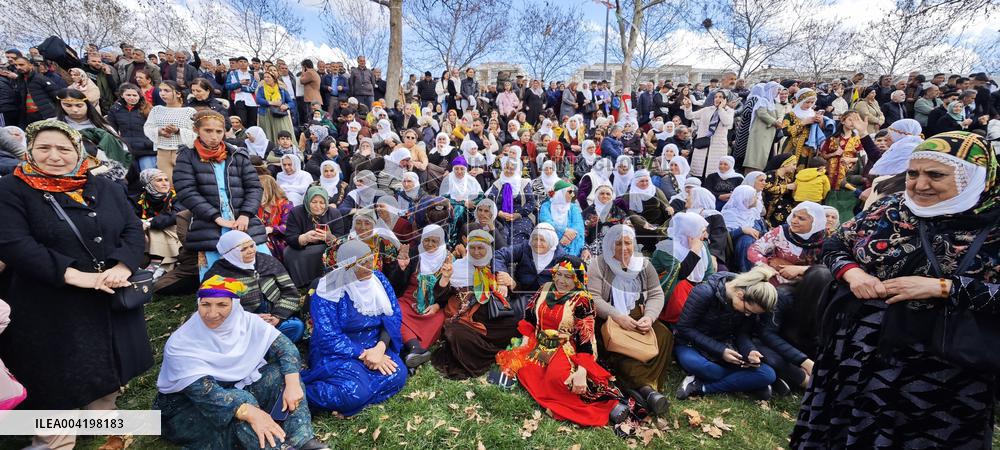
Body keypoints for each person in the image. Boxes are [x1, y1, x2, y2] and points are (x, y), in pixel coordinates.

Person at [792, 130, 1000, 446]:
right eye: (913, 173)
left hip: (941, 376)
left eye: (935, 175)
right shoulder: (891, 209)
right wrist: (853, 275)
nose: (919, 184)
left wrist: (945, 288)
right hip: (853, 360)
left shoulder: (994, 226)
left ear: (976, 176)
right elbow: (836, 245)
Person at [0, 121, 152, 449]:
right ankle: (54, 440)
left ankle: (100, 420)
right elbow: (15, 244)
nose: (54, 156)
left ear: (78, 151)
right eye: (44, 148)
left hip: (108, 297)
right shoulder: (11, 190)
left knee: (107, 367)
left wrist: (123, 265)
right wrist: (79, 276)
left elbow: (132, 229)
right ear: (29, 150)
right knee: (51, 376)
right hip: (48, 303)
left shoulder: (105, 187)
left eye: (63, 148)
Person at [155, 276, 326, 450]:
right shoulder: (180, 343)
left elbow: (285, 348)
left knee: (284, 375)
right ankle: (278, 447)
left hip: (234, 388)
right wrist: (250, 412)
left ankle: (302, 440)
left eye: (222, 305)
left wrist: (292, 383)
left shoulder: (246, 321)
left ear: (235, 306)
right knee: (240, 412)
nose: (212, 313)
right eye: (205, 304)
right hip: (188, 409)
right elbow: (206, 394)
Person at [496, 256, 632, 428]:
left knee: (560, 379)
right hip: (541, 344)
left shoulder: (583, 299)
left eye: (568, 276)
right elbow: (530, 319)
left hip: (565, 347)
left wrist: (582, 371)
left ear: (577, 278)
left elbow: (586, 337)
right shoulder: (545, 288)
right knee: (526, 370)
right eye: (559, 274)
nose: (561, 280)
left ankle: (610, 406)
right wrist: (523, 347)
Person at [302, 239, 407, 416]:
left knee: (398, 375)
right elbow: (328, 337)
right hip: (338, 351)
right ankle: (303, 391)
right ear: (347, 265)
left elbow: (393, 315)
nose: (369, 267)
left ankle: (353, 402)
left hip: (375, 345)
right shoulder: (328, 289)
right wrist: (365, 354)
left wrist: (380, 348)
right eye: (362, 263)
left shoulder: (378, 279)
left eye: (370, 260)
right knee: (354, 391)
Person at [172, 110, 269, 279]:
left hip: (243, 220)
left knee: (261, 266)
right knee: (218, 275)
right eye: (208, 131)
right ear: (196, 130)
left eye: (219, 131)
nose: (214, 136)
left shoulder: (237, 155)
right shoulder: (187, 157)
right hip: (209, 223)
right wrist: (216, 217)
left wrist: (246, 214)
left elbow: (254, 187)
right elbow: (186, 191)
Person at [587, 225, 673, 416]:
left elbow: (656, 294)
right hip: (610, 319)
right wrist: (617, 316)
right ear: (609, 245)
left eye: (628, 243)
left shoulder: (644, 265)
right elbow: (594, 298)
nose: (624, 248)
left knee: (664, 335)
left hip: (638, 316)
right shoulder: (598, 265)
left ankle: (645, 388)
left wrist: (649, 318)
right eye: (618, 243)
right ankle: (647, 391)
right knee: (622, 349)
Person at [674, 267, 779, 400]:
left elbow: (742, 333)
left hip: (725, 344)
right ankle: (746, 383)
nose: (748, 314)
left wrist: (749, 351)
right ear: (740, 295)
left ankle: (701, 387)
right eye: (747, 310)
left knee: (768, 374)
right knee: (705, 368)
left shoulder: (748, 304)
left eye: (752, 313)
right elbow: (684, 328)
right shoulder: (704, 292)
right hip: (690, 344)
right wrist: (720, 351)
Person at [385, 225, 453, 368]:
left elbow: (447, 295)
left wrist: (444, 283)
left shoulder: (447, 259)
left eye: (434, 241)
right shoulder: (415, 254)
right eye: (426, 240)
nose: (429, 244)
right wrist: (401, 268)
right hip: (408, 300)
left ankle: (408, 351)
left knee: (438, 320)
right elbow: (396, 284)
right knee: (395, 313)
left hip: (432, 305)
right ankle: (415, 349)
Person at [651, 212, 717, 324]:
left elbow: (709, 272)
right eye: (702, 231)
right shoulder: (666, 249)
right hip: (672, 288)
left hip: (694, 288)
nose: (705, 236)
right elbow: (680, 274)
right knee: (684, 297)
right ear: (689, 232)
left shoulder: (702, 245)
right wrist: (694, 251)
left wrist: (704, 292)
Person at [748, 201, 827, 284]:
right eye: (794, 216)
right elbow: (754, 249)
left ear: (815, 222)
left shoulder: (825, 240)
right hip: (775, 278)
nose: (794, 221)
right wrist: (766, 264)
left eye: (801, 218)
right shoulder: (781, 232)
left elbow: (828, 269)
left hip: (808, 286)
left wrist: (800, 270)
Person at [283, 186, 346, 288]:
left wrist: (330, 237)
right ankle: (301, 285)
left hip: (325, 247)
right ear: (308, 201)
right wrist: (304, 238)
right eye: (314, 202)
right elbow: (290, 237)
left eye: (322, 203)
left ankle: (325, 281)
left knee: (334, 251)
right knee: (288, 252)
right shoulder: (296, 212)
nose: (318, 206)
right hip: (303, 248)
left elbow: (341, 238)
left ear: (326, 203)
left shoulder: (334, 213)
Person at [143, 80, 197, 184]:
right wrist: (159, 131)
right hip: (162, 152)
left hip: (182, 152)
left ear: (178, 93)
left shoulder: (189, 111)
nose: (162, 93)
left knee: (184, 183)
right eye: (161, 90)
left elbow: (195, 134)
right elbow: (147, 128)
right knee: (167, 184)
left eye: (167, 90)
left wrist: (178, 131)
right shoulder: (156, 110)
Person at [133, 168, 182, 277]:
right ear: (148, 183)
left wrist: (150, 223)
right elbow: (130, 216)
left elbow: (176, 216)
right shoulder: (140, 198)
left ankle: (157, 262)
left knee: (153, 226)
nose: (165, 183)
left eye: (166, 180)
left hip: (176, 234)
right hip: (149, 237)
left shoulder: (177, 197)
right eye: (159, 180)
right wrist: (142, 223)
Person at [683, 91, 734, 178]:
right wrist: (688, 107)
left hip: (717, 146)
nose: (717, 99)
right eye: (716, 97)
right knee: (699, 171)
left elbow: (727, 122)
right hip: (703, 143)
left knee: (712, 172)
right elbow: (690, 116)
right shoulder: (707, 109)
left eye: (720, 97)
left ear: (725, 100)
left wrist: (721, 109)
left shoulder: (729, 111)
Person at [105, 83, 155, 170]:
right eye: (128, 95)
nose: (132, 98)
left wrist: (149, 143)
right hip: (126, 149)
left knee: (148, 172)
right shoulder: (115, 110)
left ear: (139, 96)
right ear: (122, 95)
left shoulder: (148, 108)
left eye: (135, 95)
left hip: (146, 149)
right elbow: (111, 130)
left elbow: (155, 129)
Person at [722, 185, 767, 272]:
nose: (756, 199)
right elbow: (725, 237)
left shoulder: (754, 212)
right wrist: (742, 230)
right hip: (740, 250)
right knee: (746, 239)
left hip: (760, 247)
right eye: (753, 197)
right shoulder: (729, 214)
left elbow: (764, 230)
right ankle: (746, 272)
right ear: (744, 199)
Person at [743, 82, 784, 171]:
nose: (778, 92)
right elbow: (761, 113)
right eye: (777, 90)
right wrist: (774, 122)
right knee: (756, 156)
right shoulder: (763, 101)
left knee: (762, 155)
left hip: (767, 134)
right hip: (760, 133)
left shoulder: (771, 102)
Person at [538, 180, 585, 256]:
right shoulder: (546, 206)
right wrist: (565, 231)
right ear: (561, 193)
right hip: (551, 239)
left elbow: (578, 225)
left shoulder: (573, 207)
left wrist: (568, 238)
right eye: (570, 192)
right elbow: (546, 222)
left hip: (571, 241)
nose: (572, 195)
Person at [257, 174, 294, 261]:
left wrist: (271, 229)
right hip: (261, 236)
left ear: (268, 190)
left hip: (280, 238)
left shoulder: (286, 205)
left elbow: (288, 227)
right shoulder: (257, 205)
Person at [256, 71, 296, 143]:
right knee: (268, 134)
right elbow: (258, 100)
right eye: (264, 77)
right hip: (266, 115)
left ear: (274, 78)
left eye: (268, 77)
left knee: (282, 131)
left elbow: (291, 102)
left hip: (279, 114)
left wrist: (286, 106)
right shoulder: (261, 89)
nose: (266, 79)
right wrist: (271, 102)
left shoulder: (281, 89)